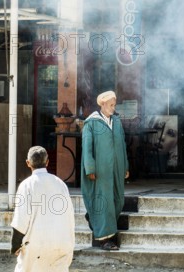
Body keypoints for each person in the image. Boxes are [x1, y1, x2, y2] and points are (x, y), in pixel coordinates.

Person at [10, 146, 75, 272]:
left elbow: (21, 219)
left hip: (35, 245)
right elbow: (69, 216)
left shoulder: (26, 185)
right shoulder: (60, 184)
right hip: (60, 243)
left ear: (28, 163)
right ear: (47, 162)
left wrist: (15, 245)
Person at [81, 90, 129, 251]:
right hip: (100, 170)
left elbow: (122, 145)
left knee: (118, 200)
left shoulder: (116, 122)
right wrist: (90, 168)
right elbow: (87, 149)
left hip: (117, 168)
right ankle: (105, 239)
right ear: (102, 104)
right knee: (105, 202)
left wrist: (126, 166)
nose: (113, 108)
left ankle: (93, 218)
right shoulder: (91, 123)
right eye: (111, 105)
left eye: (114, 105)